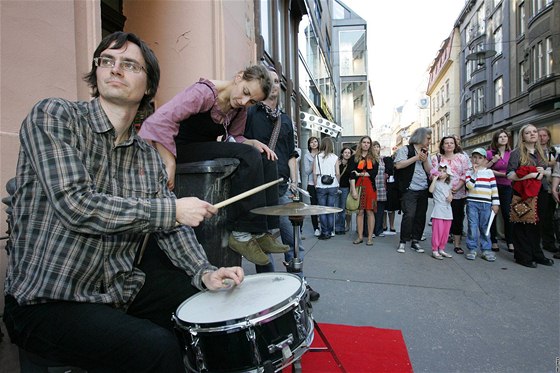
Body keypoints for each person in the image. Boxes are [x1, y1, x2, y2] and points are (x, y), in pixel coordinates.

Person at [3, 32, 244, 372]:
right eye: (107, 61)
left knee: (212, 310)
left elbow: (171, 229)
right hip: (46, 300)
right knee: (156, 347)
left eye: (129, 64)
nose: (115, 69)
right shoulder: (54, 117)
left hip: (116, 290)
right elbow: (77, 205)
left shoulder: (147, 156)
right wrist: (172, 210)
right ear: (97, 72)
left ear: (148, 86)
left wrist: (204, 272)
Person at [138, 64, 289, 266]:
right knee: (248, 156)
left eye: (252, 101)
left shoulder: (239, 109)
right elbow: (159, 121)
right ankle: (242, 234)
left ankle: (264, 231)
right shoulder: (204, 93)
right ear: (239, 77)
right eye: (245, 92)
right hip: (178, 149)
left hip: (202, 149)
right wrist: (169, 161)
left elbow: (235, 137)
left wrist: (254, 143)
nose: (244, 102)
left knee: (267, 158)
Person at [244, 66, 320, 301]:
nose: (274, 85)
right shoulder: (250, 113)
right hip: (256, 188)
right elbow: (237, 140)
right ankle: (270, 290)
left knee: (292, 238)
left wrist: (294, 184)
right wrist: (252, 143)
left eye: (277, 81)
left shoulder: (286, 120)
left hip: (282, 188)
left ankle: (298, 284)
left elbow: (291, 156)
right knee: (262, 241)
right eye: (270, 81)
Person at [507, 124, 554, 268]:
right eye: (528, 133)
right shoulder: (516, 153)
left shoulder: (542, 152)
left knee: (537, 224)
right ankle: (523, 256)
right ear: (522, 136)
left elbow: (548, 172)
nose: (533, 134)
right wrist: (532, 174)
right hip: (523, 193)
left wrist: (545, 173)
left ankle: (537, 254)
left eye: (534, 132)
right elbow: (510, 175)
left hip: (541, 191)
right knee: (523, 224)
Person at [394, 128, 432, 253]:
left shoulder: (426, 152)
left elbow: (429, 170)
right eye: (428, 138)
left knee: (420, 216)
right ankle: (403, 241)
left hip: (423, 188)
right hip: (409, 188)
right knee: (409, 215)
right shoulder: (405, 149)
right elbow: (398, 165)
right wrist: (416, 158)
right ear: (420, 137)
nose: (429, 141)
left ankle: (415, 240)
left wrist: (425, 159)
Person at [431, 136, 470, 255]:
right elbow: (433, 173)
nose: (449, 145)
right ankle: (439, 245)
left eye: (451, 143)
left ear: (455, 145)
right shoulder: (437, 158)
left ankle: (457, 244)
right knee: (441, 219)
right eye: (446, 143)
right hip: (441, 194)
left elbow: (466, 173)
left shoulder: (462, 158)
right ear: (442, 145)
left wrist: (457, 187)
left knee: (457, 218)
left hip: (458, 192)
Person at [464, 148, 500, 261]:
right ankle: (472, 248)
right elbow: (469, 186)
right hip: (472, 203)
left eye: (480, 158)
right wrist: (474, 174)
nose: (477, 160)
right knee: (472, 226)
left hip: (486, 204)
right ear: (471, 159)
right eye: (474, 157)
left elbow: (494, 189)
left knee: (485, 227)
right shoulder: (469, 172)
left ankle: (486, 249)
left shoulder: (489, 172)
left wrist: (496, 203)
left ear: (485, 160)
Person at [486, 130, 514, 252]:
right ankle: (493, 240)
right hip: (493, 186)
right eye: (500, 137)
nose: (503, 139)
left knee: (507, 213)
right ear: (496, 139)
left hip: (508, 186)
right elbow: (483, 168)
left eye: (505, 136)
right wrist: (493, 161)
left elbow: (514, 169)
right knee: (493, 213)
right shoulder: (489, 153)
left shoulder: (512, 153)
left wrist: (505, 175)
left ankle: (510, 241)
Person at [349, 136, 378, 246]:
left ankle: (370, 238)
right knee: (360, 212)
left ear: (370, 145)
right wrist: (353, 190)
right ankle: (360, 237)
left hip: (370, 187)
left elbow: (373, 174)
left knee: (369, 212)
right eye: (364, 142)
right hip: (357, 186)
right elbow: (351, 175)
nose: (366, 144)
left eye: (368, 142)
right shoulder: (354, 158)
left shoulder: (374, 158)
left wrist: (359, 173)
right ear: (360, 144)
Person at [313, 137, 340, 240]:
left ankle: (325, 232)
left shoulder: (317, 157)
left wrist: (316, 184)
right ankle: (331, 230)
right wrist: (337, 184)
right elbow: (337, 173)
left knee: (322, 209)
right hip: (333, 185)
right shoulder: (335, 157)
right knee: (330, 208)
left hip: (321, 185)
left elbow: (315, 173)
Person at [537, 127, 558, 253]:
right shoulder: (535, 151)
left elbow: (556, 167)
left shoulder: (553, 150)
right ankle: (539, 240)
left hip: (551, 186)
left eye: (544, 135)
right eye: (540, 135)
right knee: (540, 215)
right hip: (540, 186)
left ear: (548, 137)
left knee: (549, 216)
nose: (542, 138)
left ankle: (549, 241)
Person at [428, 164, 454, 260]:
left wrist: (450, 198)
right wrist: (434, 179)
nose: (441, 173)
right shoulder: (436, 183)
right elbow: (431, 190)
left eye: (443, 171)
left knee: (445, 231)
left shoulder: (448, 185)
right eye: (440, 170)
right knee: (437, 231)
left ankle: (442, 248)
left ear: (447, 174)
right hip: (438, 210)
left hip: (447, 210)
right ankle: (435, 249)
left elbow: (451, 196)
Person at [304, 136, 321, 236]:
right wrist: (314, 160)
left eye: (315, 141)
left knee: (322, 205)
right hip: (311, 184)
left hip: (322, 184)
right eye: (311, 142)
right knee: (314, 206)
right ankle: (316, 228)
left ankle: (325, 226)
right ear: (309, 145)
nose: (314, 143)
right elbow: (307, 171)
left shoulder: (323, 154)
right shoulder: (307, 156)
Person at [372, 141, 388, 238]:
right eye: (374, 146)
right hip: (373, 187)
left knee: (380, 210)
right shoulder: (369, 159)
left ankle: (379, 230)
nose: (376, 148)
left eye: (378, 147)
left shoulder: (382, 159)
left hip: (382, 187)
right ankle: (371, 230)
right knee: (372, 210)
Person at [335, 146, 353, 234]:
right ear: (342, 153)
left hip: (345, 188)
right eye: (345, 152)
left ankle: (340, 227)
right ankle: (336, 227)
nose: (347, 154)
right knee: (336, 207)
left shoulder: (351, 164)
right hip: (336, 187)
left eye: (349, 153)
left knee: (342, 208)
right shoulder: (337, 163)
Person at [383, 152, 399, 235]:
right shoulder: (392, 167)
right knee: (388, 209)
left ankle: (386, 225)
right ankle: (389, 225)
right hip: (389, 188)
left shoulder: (396, 167)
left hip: (391, 188)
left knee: (387, 209)